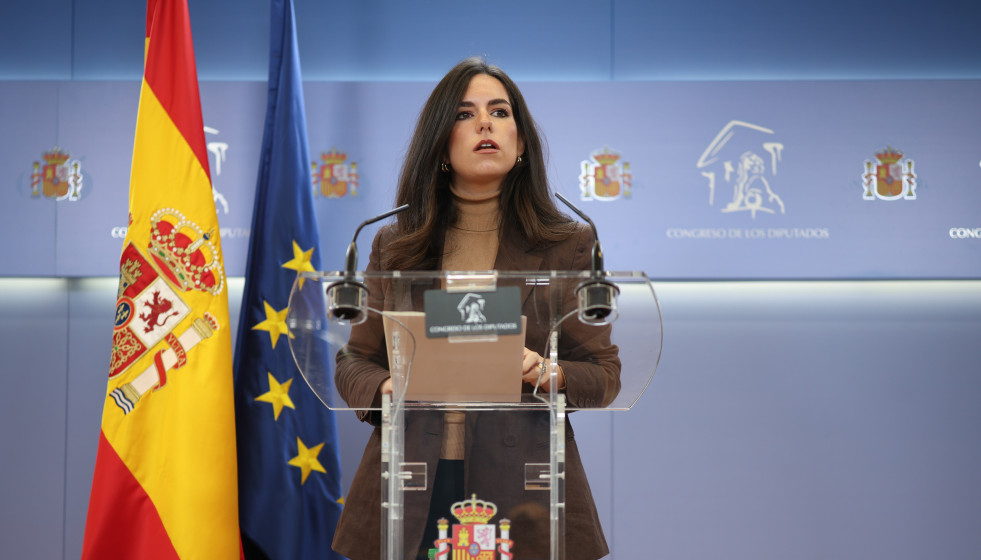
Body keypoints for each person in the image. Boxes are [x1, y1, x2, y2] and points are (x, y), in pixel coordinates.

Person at [331, 57, 621, 560]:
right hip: (413, 483)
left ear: (521, 142)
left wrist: (545, 370)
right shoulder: (394, 244)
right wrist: (387, 386)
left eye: (499, 112)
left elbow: (604, 374)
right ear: (441, 143)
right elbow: (354, 362)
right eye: (465, 114)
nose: (485, 123)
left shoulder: (568, 245)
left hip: (524, 486)